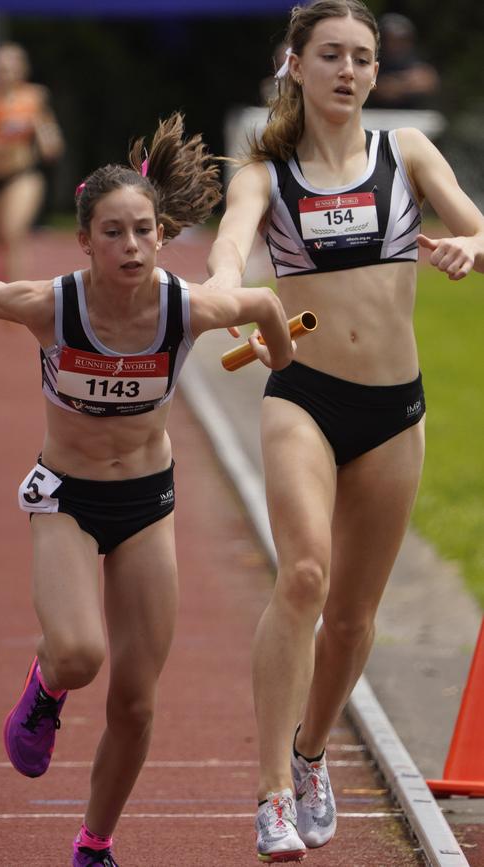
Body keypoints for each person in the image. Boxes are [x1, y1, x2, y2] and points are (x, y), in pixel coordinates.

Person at [0, 113, 294, 866]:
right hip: (67, 500)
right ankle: (46, 685)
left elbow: (267, 307)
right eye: (113, 233)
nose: (133, 247)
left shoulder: (187, 307)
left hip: (148, 504)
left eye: (145, 231)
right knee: (81, 653)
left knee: (137, 700)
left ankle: (94, 842)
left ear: (160, 233)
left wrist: (278, 357)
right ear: (84, 239)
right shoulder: (54, 304)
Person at [205, 0, 484, 861]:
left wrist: (473, 246)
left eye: (361, 57)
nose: (349, 71)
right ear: (297, 63)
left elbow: (477, 225)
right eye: (330, 55)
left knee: (356, 615)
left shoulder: (406, 154)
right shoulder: (266, 172)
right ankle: (271, 794)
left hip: (396, 408)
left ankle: (313, 750)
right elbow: (226, 255)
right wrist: (225, 294)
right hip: (304, 394)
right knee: (305, 577)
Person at [0, 42, 64, 282]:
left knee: (11, 234)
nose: (5, 74)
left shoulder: (34, 97)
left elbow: (48, 131)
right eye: (0, 68)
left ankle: (16, 297)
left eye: (10, 68)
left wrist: (48, 142)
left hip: (20, 175)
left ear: (22, 71)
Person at [368, 13, 439, 111]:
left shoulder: (413, 59)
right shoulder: (371, 60)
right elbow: (378, 89)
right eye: (391, 39)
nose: (396, 45)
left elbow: (428, 80)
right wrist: (407, 83)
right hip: (376, 117)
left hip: (413, 117)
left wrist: (397, 85)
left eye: (402, 39)